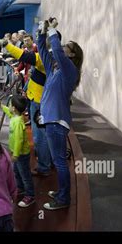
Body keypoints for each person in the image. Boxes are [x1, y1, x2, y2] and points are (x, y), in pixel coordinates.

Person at [0, 30, 53, 178]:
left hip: (39, 100)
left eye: (40, 38)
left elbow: (24, 56)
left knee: (39, 136)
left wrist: (6, 44)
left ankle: (44, 166)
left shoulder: (45, 58)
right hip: (36, 97)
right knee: (41, 134)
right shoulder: (49, 57)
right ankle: (46, 160)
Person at [37, 17, 83, 210]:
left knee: (60, 162)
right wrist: (42, 31)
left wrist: (53, 32)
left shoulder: (69, 71)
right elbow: (44, 53)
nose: (63, 46)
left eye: (67, 46)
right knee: (58, 161)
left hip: (57, 122)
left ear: (72, 55)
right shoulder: (56, 70)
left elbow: (56, 50)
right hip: (51, 120)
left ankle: (64, 199)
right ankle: (61, 192)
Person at [0, 95, 35, 208]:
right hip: (16, 153)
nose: (9, 107)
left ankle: (30, 195)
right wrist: (0, 105)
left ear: (14, 108)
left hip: (21, 154)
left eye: (10, 105)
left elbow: (19, 140)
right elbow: (8, 112)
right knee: (16, 172)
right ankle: (21, 188)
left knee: (25, 175)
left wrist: (16, 154)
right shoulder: (15, 116)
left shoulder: (18, 122)